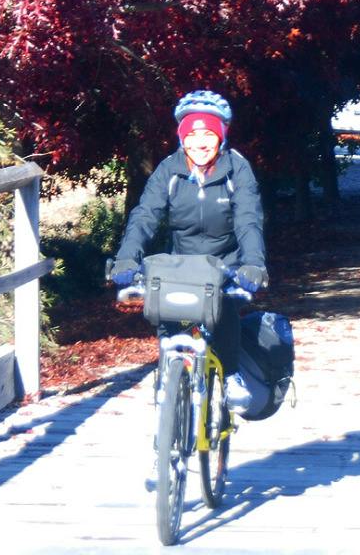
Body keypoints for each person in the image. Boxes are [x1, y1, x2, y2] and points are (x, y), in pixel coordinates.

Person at [106, 90, 267, 401]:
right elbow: (145, 216)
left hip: (226, 263)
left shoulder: (237, 169)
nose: (200, 143)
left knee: (224, 311)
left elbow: (248, 219)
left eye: (209, 134)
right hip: (182, 265)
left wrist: (253, 264)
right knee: (168, 316)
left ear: (221, 137)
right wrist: (126, 258)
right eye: (192, 135)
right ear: (181, 138)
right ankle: (171, 379)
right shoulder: (170, 169)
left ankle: (232, 375)